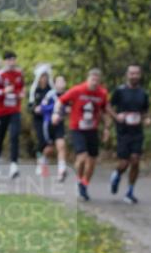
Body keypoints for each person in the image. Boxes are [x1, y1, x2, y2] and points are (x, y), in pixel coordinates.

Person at [53, 68, 113, 201]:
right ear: (88, 78)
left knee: (92, 160)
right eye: (92, 80)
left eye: (97, 80)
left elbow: (104, 112)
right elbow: (60, 101)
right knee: (82, 156)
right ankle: (78, 179)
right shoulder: (77, 90)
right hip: (77, 128)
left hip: (92, 129)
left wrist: (107, 129)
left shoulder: (102, 93)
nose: (94, 83)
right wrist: (56, 113)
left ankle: (84, 184)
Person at [109, 65, 151, 204]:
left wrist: (147, 119)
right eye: (131, 73)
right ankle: (116, 174)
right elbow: (108, 106)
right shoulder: (120, 91)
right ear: (127, 75)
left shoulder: (143, 93)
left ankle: (130, 191)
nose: (134, 76)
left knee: (135, 160)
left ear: (140, 75)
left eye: (137, 73)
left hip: (137, 131)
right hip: (123, 131)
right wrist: (116, 116)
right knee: (124, 163)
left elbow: (146, 110)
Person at [0, 51, 26, 178]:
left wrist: (21, 94)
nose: (12, 62)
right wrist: (3, 91)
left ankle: (14, 165)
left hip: (15, 110)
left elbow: (22, 88)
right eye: (9, 60)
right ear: (5, 62)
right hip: (1, 111)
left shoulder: (19, 74)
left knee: (14, 136)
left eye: (14, 59)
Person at [38, 76, 70, 182]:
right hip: (48, 124)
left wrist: (67, 110)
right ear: (55, 83)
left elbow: (69, 108)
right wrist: (55, 107)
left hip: (59, 124)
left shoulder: (68, 95)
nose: (61, 83)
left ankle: (61, 171)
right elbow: (42, 107)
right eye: (59, 81)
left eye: (63, 81)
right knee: (50, 149)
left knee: (61, 146)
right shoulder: (50, 94)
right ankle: (43, 160)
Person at [29, 64, 54, 176]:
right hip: (38, 119)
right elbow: (30, 105)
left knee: (49, 143)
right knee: (41, 140)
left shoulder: (51, 90)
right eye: (42, 76)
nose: (44, 79)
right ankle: (40, 163)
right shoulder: (35, 90)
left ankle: (44, 160)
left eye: (46, 76)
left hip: (49, 119)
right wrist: (35, 109)